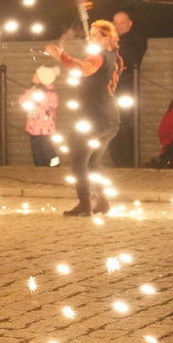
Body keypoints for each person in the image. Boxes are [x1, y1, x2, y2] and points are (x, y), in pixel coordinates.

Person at [45, 20, 123, 216]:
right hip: (111, 118)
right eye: (91, 34)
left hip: (95, 119)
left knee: (78, 160)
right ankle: (102, 202)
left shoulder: (99, 56)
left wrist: (62, 56)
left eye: (95, 34)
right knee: (93, 162)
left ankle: (84, 205)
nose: (90, 38)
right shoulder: (114, 57)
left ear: (106, 38)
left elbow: (85, 69)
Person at [110, 11, 148, 167]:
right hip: (110, 88)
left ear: (130, 23)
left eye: (122, 22)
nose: (118, 26)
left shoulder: (137, 39)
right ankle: (116, 160)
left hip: (127, 87)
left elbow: (133, 58)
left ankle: (128, 161)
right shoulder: (109, 40)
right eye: (115, 23)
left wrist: (116, 43)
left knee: (125, 123)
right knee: (110, 123)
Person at [19, 66, 61, 167]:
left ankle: (55, 166)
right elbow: (22, 101)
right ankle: (39, 168)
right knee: (36, 150)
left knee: (46, 147)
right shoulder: (33, 90)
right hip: (33, 126)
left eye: (36, 75)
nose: (33, 77)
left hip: (45, 127)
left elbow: (52, 105)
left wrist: (40, 100)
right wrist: (30, 94)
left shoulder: (51, 93)